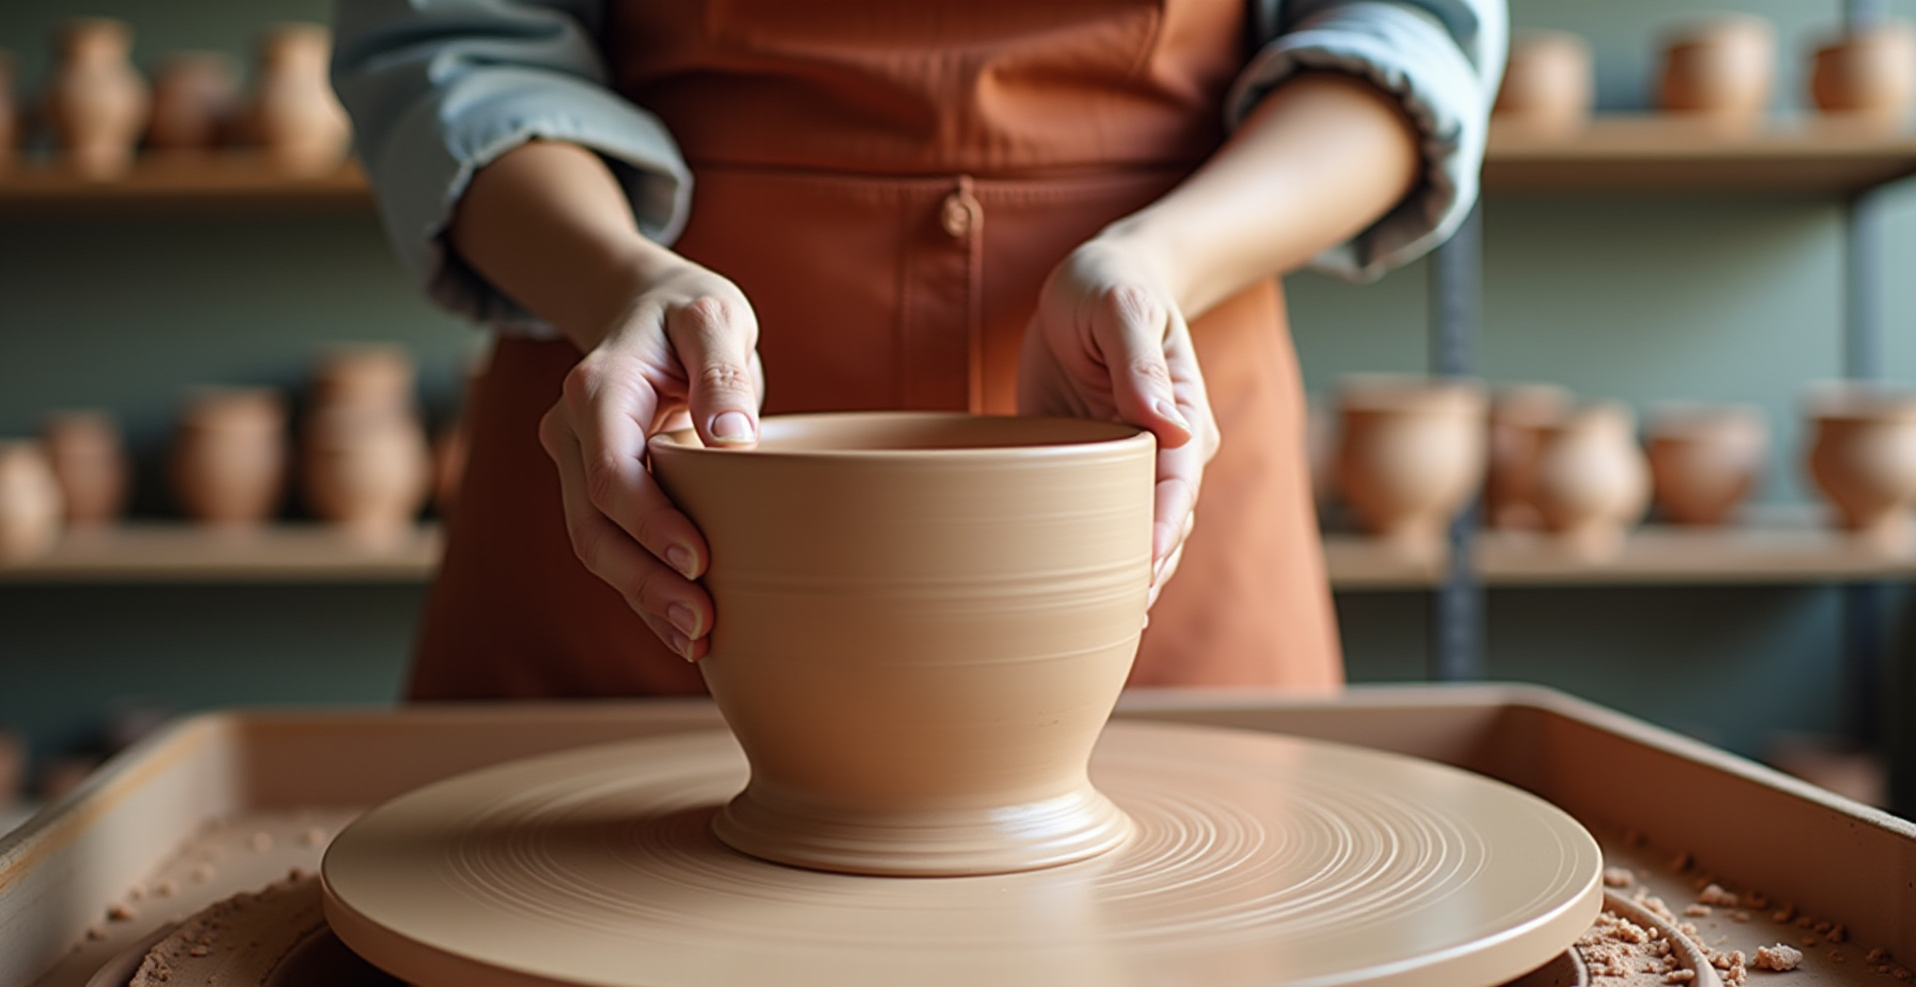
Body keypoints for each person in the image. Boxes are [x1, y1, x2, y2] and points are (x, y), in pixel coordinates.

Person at [333, 0, 1506, 699]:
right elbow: (460, 43)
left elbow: (1403, 30)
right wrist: (617, 278)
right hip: (655, 437)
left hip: (1139, 406)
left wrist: (1159, 264)